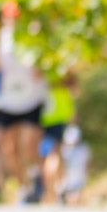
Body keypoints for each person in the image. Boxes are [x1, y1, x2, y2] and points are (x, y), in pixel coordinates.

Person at [0, 0, 48, 203]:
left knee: (29, 144)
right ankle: (23, 186)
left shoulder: (32, 37)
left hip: (31, 98)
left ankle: (37, 176)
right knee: (8, 149)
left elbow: (40, 68)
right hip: (9, 99)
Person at [39, 69, 79, 203]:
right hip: (56, 120)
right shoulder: (63, 87)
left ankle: (54, 188)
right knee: (55, 154)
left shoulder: (49, 83)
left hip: (49, 120)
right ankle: (57, 187)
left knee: (52, 155)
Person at [58, 124, 91, 205]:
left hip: (78, 177)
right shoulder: (63, 149)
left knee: (75, 199)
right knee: (68, 197)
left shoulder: (84, 149)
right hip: (66, 179)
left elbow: (87, 163)